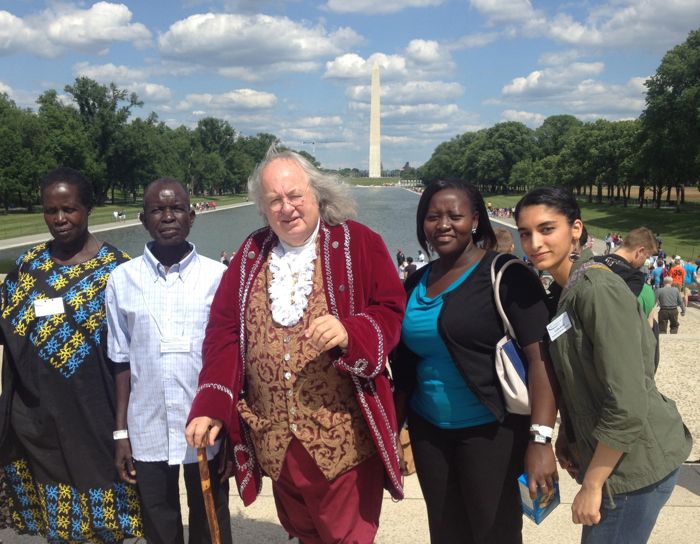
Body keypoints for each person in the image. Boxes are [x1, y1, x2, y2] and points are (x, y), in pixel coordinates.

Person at [185, 146, 405, 543]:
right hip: (276, 445)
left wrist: (350, 332)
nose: (286, 208)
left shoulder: (358, 242)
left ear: (316, 193)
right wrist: (212, 404)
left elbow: (391, 309)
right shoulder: (251, 254)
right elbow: (224, 332)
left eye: (294, 195)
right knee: (304, 534)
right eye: (274, 200)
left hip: (344, 444)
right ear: (263, 209)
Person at [514, 186, 692, 544]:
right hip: (618, 459)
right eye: (525, 233)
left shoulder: (596, 289)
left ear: (576, 229)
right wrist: (569, 436)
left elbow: (627, 402)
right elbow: (583, 378)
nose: (534, 243)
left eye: (547, 229)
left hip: (634, 468)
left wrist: (593, 484)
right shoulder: (569, 290)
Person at [391, 179, 558, 543]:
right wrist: (394, 429)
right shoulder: (416, 282)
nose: (444, 224)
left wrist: (541, 441)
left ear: (477, 220)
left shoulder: (507, 274)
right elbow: (404, 368)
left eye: (455, 215)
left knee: (493, 532)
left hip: (492, 430)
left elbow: (541, 360)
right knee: (446, 532)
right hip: (430, 431)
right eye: (433, 216)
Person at [0, 167, 142, 542]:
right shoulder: (29, 267)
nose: (60, 219)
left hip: (99, 417)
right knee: (59, 528)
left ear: (88, 208)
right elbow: (9, 329)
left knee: (107, 525)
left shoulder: (119, 270)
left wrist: (125, 426)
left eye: (69, 209)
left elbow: (136, 352)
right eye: (50, 211)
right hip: (42, 420)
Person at [106, 179, 232, 544]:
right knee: (158, 519)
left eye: (176, 208)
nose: (167, 216)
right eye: (157, 210)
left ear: (192, 217)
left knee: (211, 518)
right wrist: (121, 434)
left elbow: (230, 358)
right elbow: (120, 361)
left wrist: (230, 429)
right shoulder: (122, 280)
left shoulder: (217, 277)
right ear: (144, 220)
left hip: (206, 423)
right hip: (146, 423)